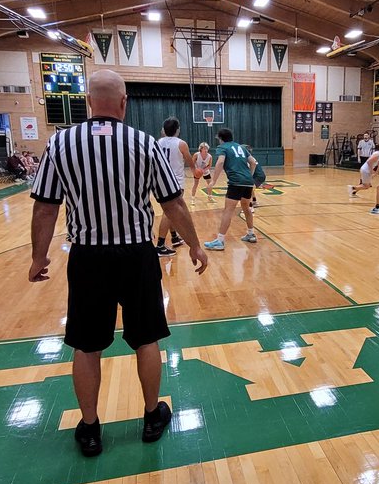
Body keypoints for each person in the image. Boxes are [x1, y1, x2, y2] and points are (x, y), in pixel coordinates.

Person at [27, 68, 207, 457]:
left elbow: (45, 207)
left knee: (86, 346)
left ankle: (90, 428)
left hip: (88, 257)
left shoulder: (59, 143)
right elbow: (173, 203)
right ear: (124, 102)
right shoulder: (145, 144)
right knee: (146, 339)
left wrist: (39, 256)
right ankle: (151, 416)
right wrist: (195, 245)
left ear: (88, 102)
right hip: (136, 255)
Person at [204, 128, 258, 250]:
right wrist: (249, 176)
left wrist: (213, 181)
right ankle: (251, 234)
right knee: (246, 208)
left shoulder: (223, 147)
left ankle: (220, 241)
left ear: (221, 139)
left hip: (236, 182)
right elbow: (253, 162)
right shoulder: (241, 147)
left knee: (228, 210)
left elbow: (220, 162)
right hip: (248, 182)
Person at [155, 118, 195, 257]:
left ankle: (174, 237)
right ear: (178, 130)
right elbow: (189, 160)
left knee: (170, 211)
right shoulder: (181, 143)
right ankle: (160, 245)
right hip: (175, 182)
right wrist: (195, 171)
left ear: (163, 130)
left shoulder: (159, 142)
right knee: (169, 212)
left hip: (161, 180)